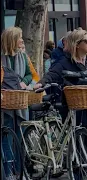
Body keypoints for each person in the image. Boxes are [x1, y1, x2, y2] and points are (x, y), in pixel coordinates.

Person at [34, 28, 87, 140]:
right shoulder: (64, 62)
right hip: (74, 110)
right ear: (77, 44)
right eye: (86, 41)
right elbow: (52, 74)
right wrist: (41, 83)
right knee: (76, 146)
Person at [1, 27, 33, 178]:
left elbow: (29, 75)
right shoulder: (1, 57)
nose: (22, 40)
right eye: (19, 38)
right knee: (6, 136)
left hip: (19, 101)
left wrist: (24, 83)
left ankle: (19, 172)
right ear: (12, 40)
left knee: (20, 138)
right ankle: (8, 172)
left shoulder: (23, 56)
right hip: (5, 102)